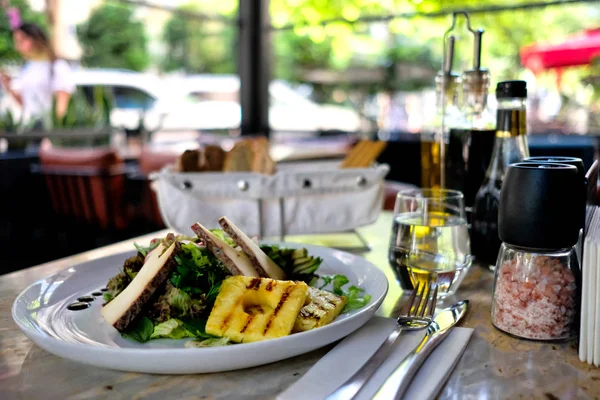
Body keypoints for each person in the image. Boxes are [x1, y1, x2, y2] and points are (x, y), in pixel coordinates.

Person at [0, 22, 75, 124]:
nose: (17, 47)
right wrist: (8, 86)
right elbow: (26, 103)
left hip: (47, 129)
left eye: (21, 41)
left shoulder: (58, 66)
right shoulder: (28, 67)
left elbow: (61, 106)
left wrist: (52, 134)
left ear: (35, 39)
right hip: (29, 127)